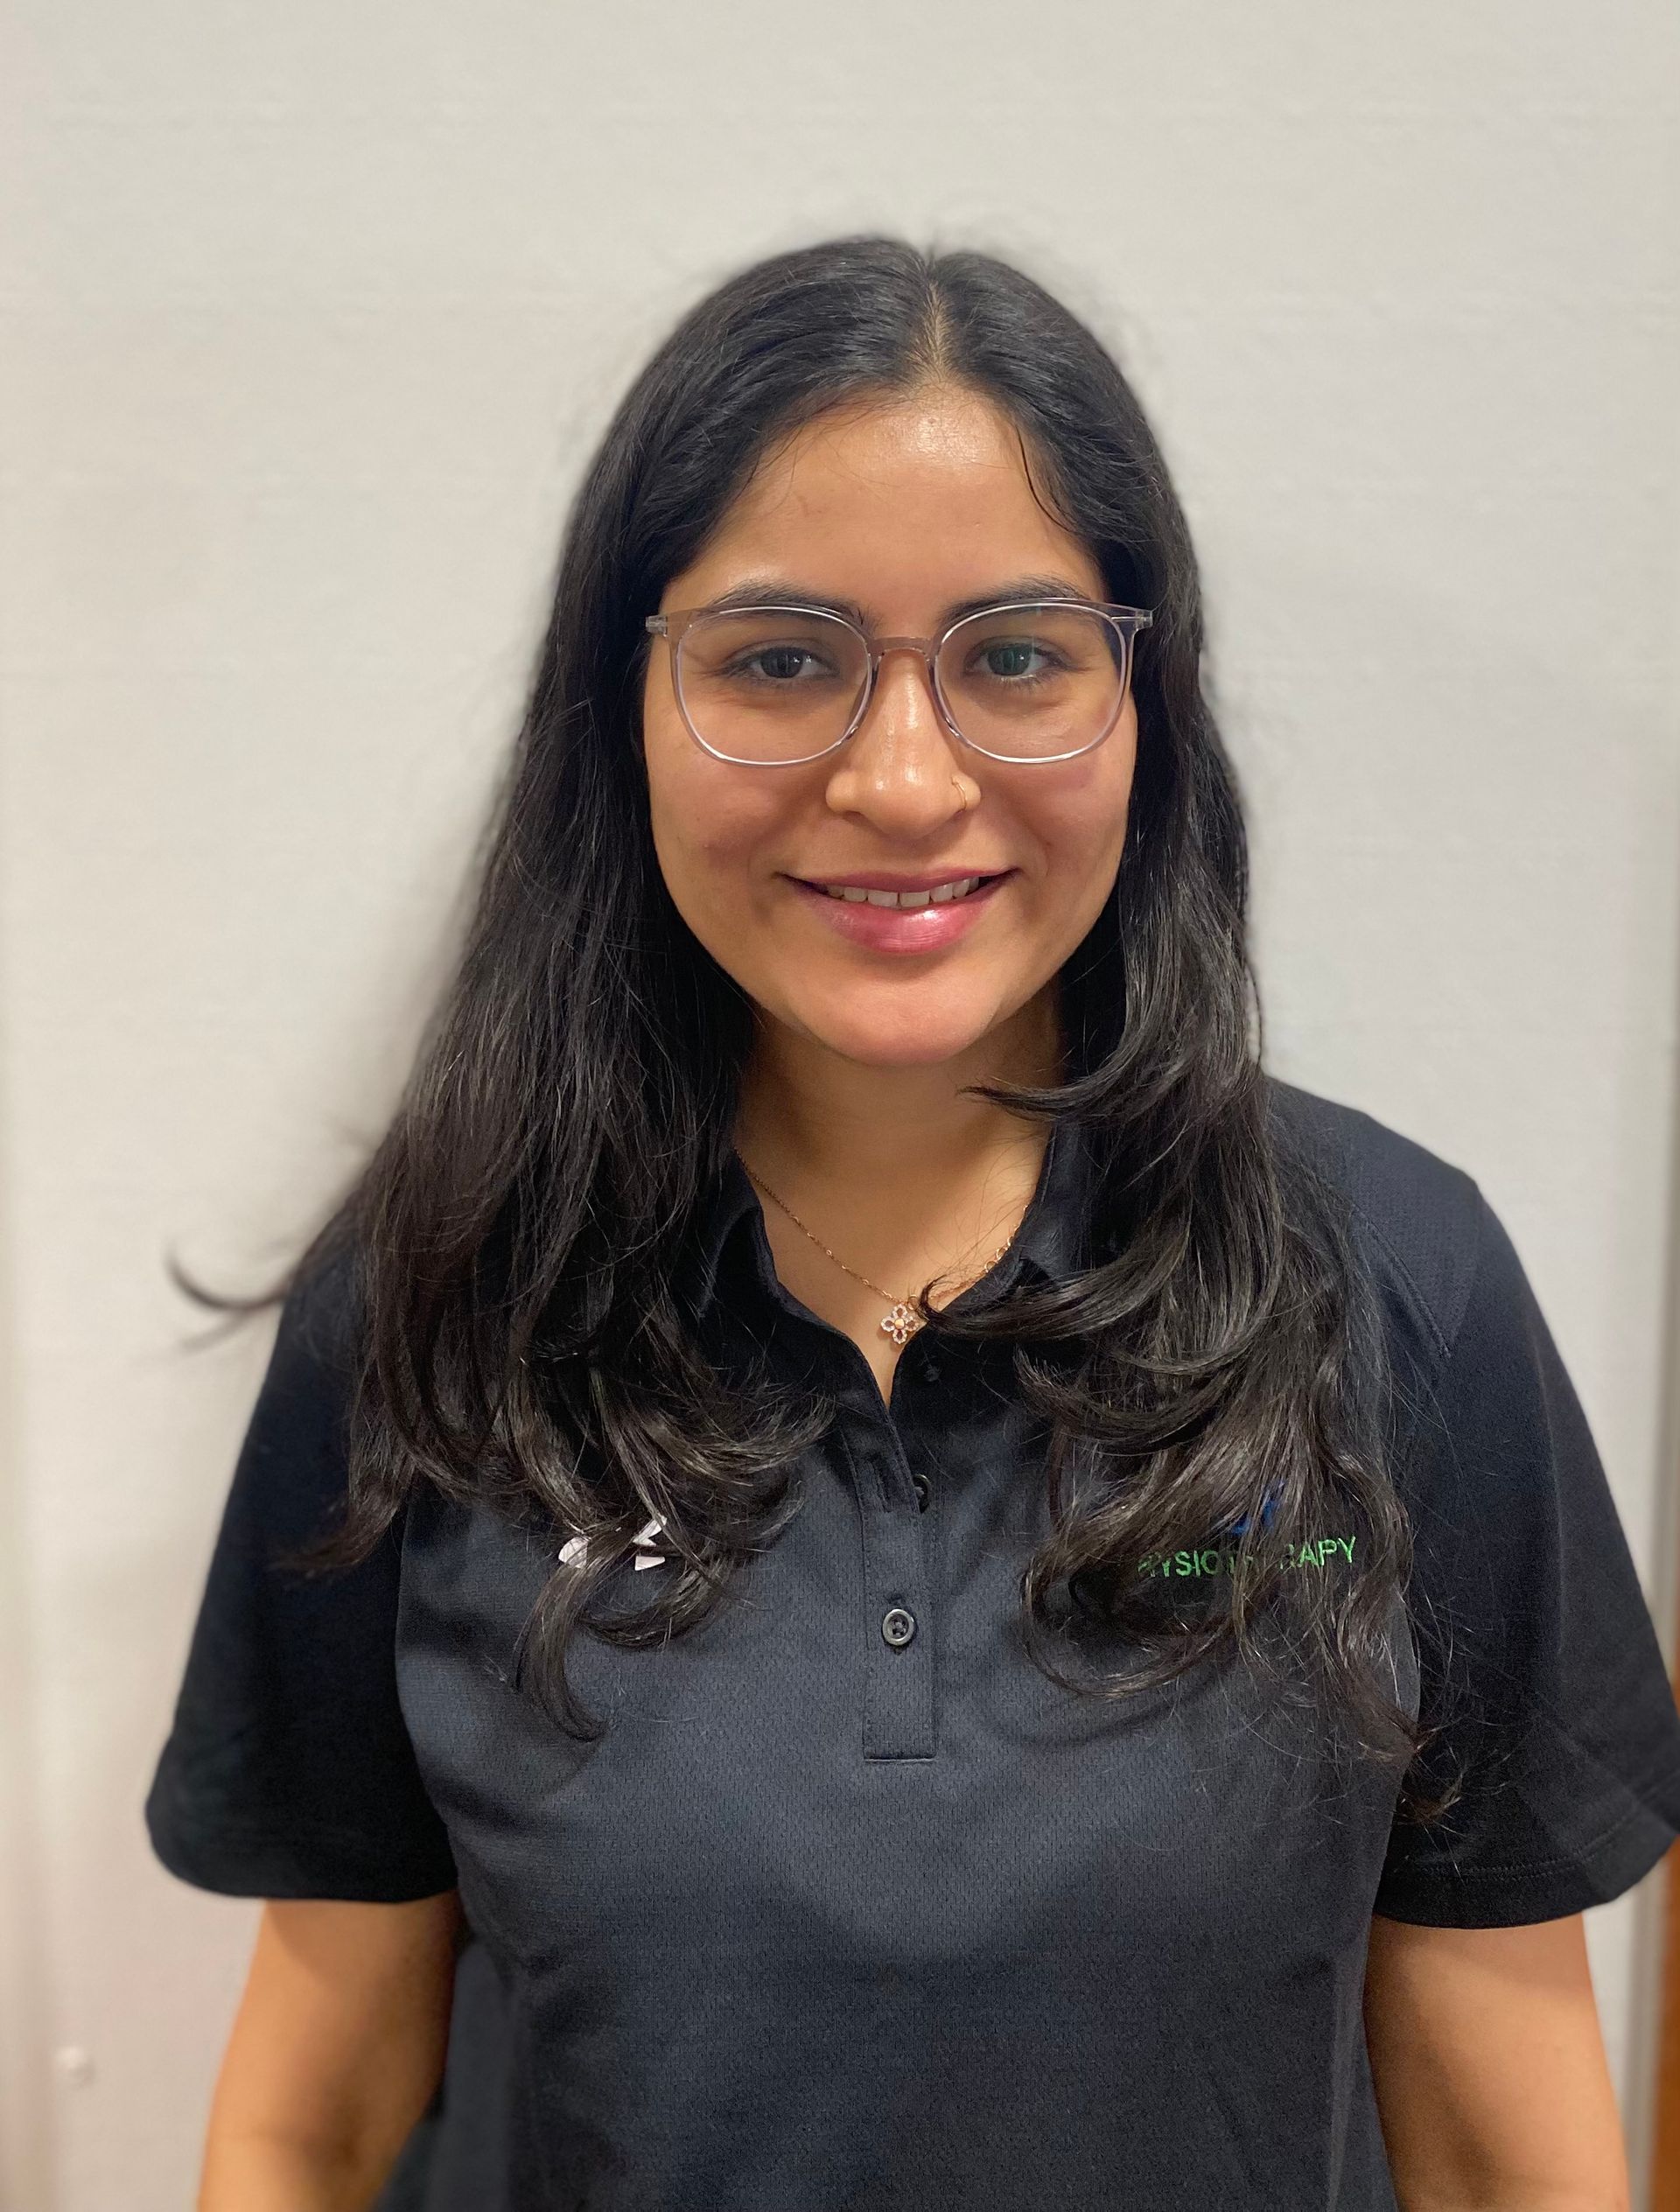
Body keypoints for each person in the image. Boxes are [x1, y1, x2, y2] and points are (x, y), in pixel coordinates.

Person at [144, 234, 1680, 2212]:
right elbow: (313, 2112)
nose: (900, 776)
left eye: (1016, 656)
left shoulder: (1400, 1296)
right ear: (627, 699)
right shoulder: (435, 1303)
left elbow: (1504, 2144)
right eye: (779, 659)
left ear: (1147, 697)